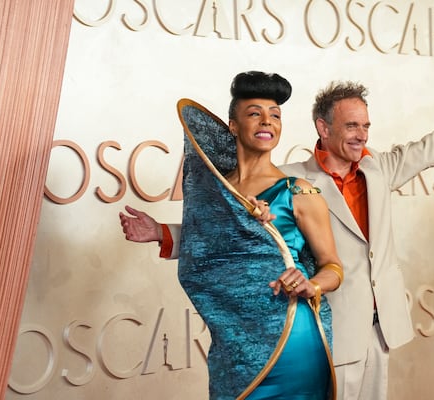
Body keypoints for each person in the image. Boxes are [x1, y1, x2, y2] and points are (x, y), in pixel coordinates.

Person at [123, 67, 434, 399]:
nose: (362, 135)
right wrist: (161, 233)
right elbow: (228, 234)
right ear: (323, 127)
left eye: (366, 126)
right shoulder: (294, 181)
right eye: (352, 126)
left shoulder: (379, 168)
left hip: (380, 329)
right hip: (327, 329)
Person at [120, 71, 343, 399]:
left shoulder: (299, 192)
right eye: (255, 113)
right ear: (233, 125)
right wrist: (160, 232)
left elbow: (333, 268)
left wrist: (312, 285)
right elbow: (218, 240)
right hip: (232, 341)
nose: (267, 122)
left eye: (275, 115)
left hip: (289, 335)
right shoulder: (216, 188)